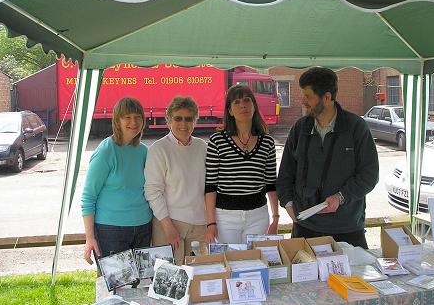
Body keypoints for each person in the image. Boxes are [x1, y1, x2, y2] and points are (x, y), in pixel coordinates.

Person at [276, 67, 378, 249]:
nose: (303, 101)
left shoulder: (356, 128)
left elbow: (369, 175)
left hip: (347, 228)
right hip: (305, 227)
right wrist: (288, 203)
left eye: (308, 96)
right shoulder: (299, 129)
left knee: (350, 277)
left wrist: (341, 197)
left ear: (327, 97)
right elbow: (285, 174)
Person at [204, 84, 279, 245]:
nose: (243, 105)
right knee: (231, 263)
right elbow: (210, 186)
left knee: (255, 263)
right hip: (225, 218)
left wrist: (276, 217)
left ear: (254, 106)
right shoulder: (217, 141)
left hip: (258, 216)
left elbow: (271, 184)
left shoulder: (267, 142)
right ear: (230, 110)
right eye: (236, 102)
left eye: (247, 100)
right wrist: (211, 223)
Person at [81, 97, 153, 265]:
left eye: (137, 117)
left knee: (141, 285)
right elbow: (88, 197)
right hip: (111, 231)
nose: (133, 122)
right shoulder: (106, 151)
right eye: (127, 117)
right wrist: (90, 238)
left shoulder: (144, 151)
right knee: (117, 288)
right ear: (117, 120)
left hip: (143, 227)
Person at [145, 96, 207, 264]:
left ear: (195, 120)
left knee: (199, 280)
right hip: (169, 225)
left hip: (200, 226)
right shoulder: (158, 149)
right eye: (178, 118)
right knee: (170, 283)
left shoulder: (203, 147)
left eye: (189, 119)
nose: (183, 124)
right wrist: (168, 227)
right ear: (168, 120)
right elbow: (152, 191)